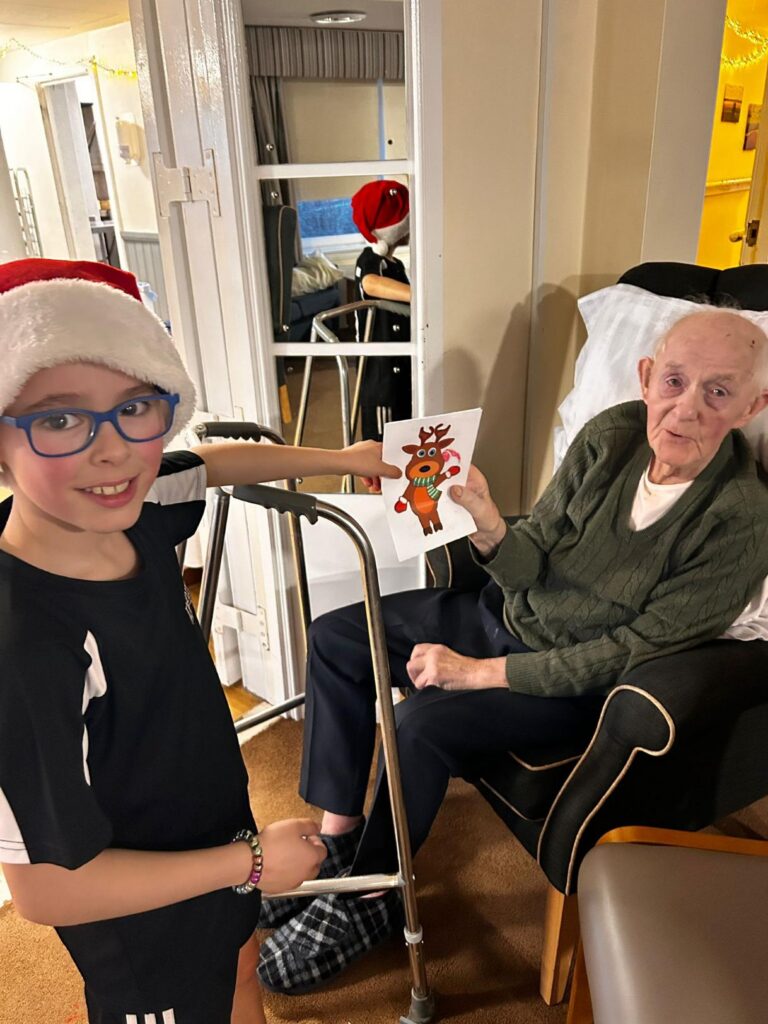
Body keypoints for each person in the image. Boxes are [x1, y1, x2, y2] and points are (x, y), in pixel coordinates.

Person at [257, 308, 768, 995]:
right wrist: (490, 520)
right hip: (502, 614)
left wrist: (477, 674)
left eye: (718, 391)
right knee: (338, 637)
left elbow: (631, 652)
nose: (686, 409)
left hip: (568, 684)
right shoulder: (612, 434)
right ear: (647, 378)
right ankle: (338, 847)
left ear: (753, 405)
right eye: (674, 380)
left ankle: (372, 898)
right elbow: (535, 558)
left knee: (420, 725)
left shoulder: (742, 518)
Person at [0, 258, 400, 1024]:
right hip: (141, 924)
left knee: (241, 974)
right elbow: (46, 888)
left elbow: (209, 465)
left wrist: (337, 462)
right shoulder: (23, 646)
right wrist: (248, 863)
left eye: (136, 407)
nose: (112, 451)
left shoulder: (130, 511)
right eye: (57, 419)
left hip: (212, 837)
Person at [351, 179, 412, 441]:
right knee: (383, 444)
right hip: (380, 375)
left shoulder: (395, 264)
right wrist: (418, 296)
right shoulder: (370, 259)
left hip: (401, 367)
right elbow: (370, 283)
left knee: (405, 434)